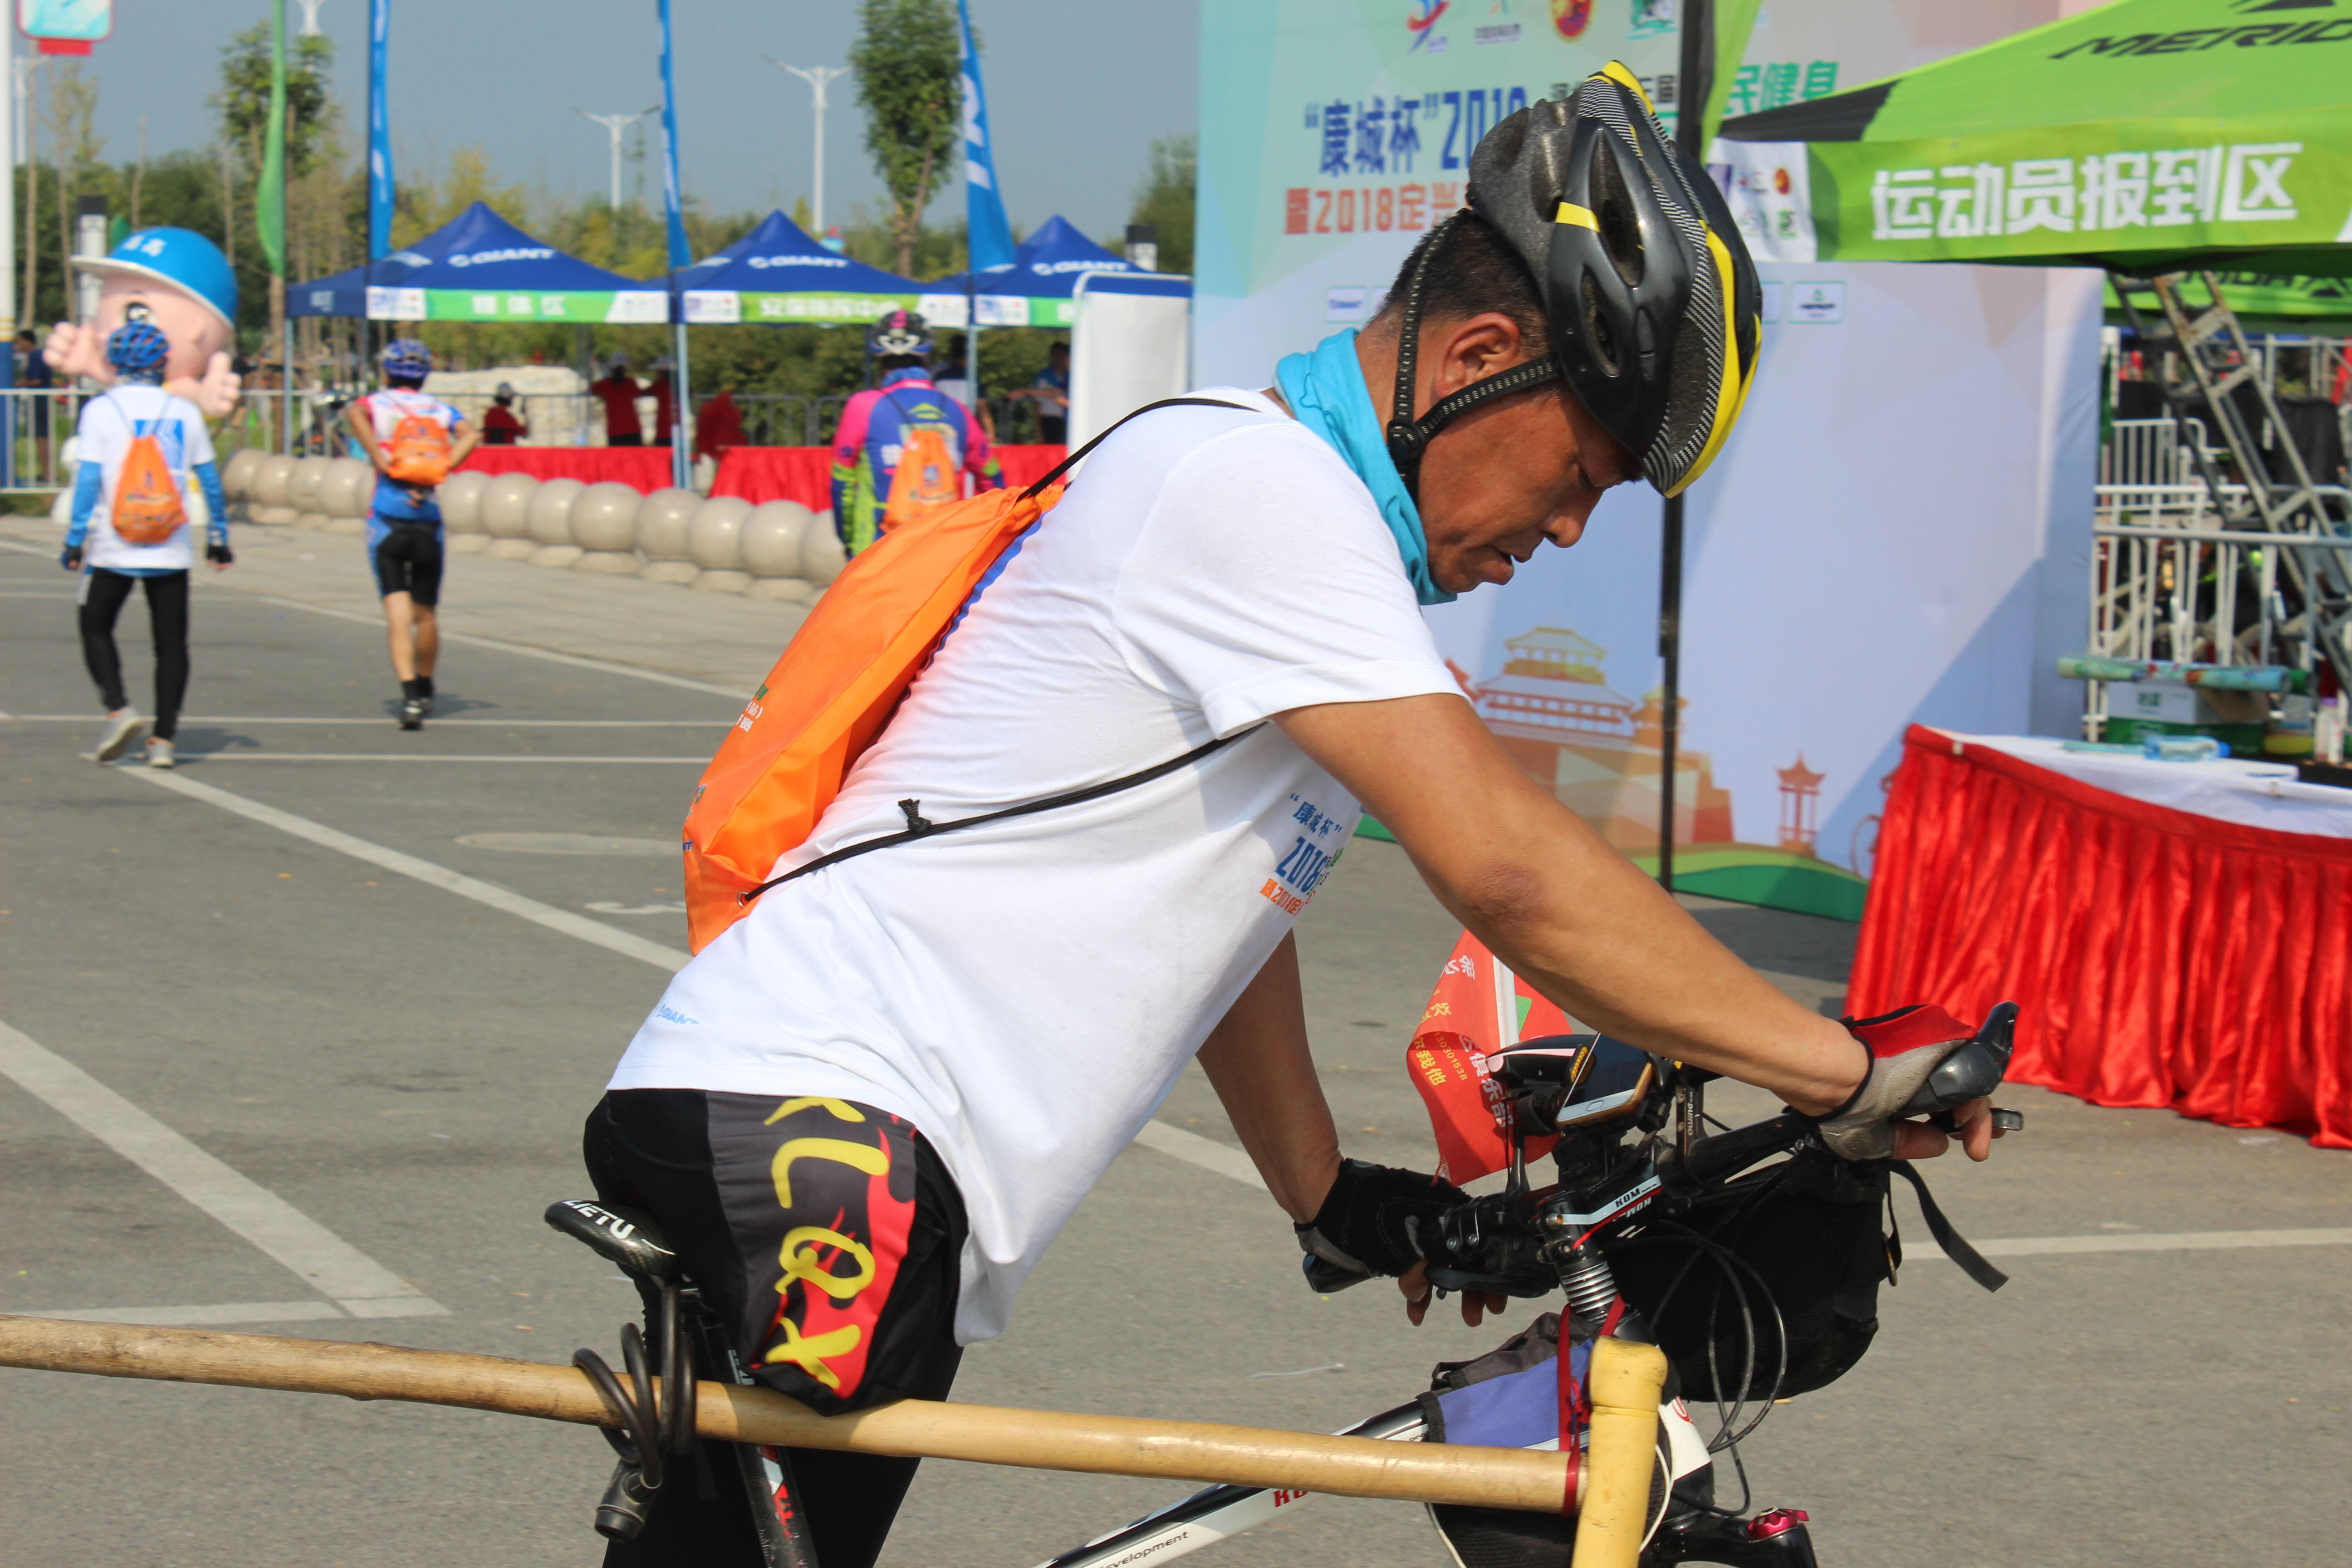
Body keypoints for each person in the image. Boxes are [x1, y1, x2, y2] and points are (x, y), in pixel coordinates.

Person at [587, 74, 2000, 1567]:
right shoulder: (1257, 490)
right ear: (1479, 356)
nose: (1570, 528)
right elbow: (1511, 871)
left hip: (844, 1142)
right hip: (820, 1126)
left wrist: (1329, 1197)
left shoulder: (1305, 549)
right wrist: (1838, 1065)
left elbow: (1227, 917)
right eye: (1578, 473)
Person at [58, 321, 232, 770]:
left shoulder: (100, 410)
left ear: (116, 363)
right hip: (169, 542)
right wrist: (219, 539)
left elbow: (88, 481)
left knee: (94, 623)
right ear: (163, 364)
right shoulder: (185, 412)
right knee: (171, 644)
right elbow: (211, 484)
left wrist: (76, 539)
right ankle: (164, 740)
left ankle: (119, 709)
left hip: (115, 542)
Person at [343, 338, 479, 731]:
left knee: (398, 617)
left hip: (386, 518)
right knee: (427, 615)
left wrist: (381, 460)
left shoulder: (378, 403)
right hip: (428, 522)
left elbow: (354, 413)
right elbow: (471, 434)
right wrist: (443, 467)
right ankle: (426, 685)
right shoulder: (440, 409)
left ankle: (409, 699)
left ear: (387, 371)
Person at [826, 310, 1002, 555]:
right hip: (942, 548)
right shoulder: (957, 409)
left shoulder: (863, 406)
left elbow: (841, 485)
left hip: (876, 549)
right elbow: (992, 481)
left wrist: (847, 540)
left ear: (880, 362)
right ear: (927, 359)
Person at [15, 328, 55, 478]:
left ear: (28, 341)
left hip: (40, 401)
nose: (17, 345)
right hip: (42, 401)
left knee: (41, 438)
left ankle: (47, 473)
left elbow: (36, 381)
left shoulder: (35, 356)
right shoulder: (38, 355)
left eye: (20, 341)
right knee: (42, 437)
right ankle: (48, 472)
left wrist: (21, 383)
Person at [591, 357, 645, 447]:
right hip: (633, 428)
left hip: (615, 431)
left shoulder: (605, 384)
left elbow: (591, 389)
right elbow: (638, 393)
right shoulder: (631, 383)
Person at [1025, 339, 1071, 444]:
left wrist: (1027, 391)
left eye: (1062, 355)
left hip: (1067, 420)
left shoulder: (1071, 375)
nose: (1060, 359)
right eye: (1057, 355)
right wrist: (1038, 430)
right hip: (1049, 420)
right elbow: (1038, 402)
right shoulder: (1044, 376)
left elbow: (1058, 392)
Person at [480, 382, 528, 446]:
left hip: (489, 451)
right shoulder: (506, 416)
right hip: (505, 452)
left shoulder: (490, 414)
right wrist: (525, 415)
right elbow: (524, 434)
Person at [647, 355, 677, 449]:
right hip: (678, 428)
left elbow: (645, 392)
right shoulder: (680, 385)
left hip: (664, 430)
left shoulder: (659, 385)